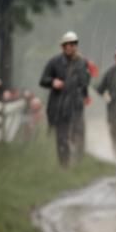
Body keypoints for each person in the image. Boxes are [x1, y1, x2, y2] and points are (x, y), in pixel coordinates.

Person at [39, 31, 91, 166]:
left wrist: (85, 96)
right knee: (62, 138)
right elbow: (43, 80)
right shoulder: (54, 62)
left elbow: (84, 83)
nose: (70, 47)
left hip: (76, 105)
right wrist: (53, 82)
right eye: (67, 44)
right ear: (62, 46)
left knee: (79, 135)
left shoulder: (83, 62)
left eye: (73, 44)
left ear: (76, 46)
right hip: (59, 106)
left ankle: (79, 164)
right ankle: (64, 165)